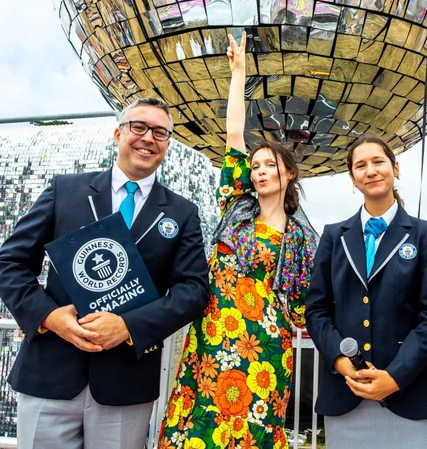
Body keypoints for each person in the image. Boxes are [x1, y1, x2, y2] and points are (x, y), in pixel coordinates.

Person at [0, 96, 210, 449]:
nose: (148, 138)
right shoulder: (64, 190)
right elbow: (10, 262)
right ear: (118, 134)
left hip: (125, 381)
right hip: (50, 372)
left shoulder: (182, 212)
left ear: (167, 145)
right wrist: (49, 316)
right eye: (138, 127)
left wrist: (129, 327)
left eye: (159, 132)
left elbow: (193, 290)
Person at [157, 32, 318, 449]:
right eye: (257, 165)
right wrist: (239, 73)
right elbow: (233, 137)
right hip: (214, 332)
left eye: (270, 165)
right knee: (202, 420)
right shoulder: (236, 206)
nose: (260, 171)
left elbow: (307, 298)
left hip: (266, 345)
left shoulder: (301, 236)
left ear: (289, 174)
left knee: (253, 426)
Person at [305, 136, 427, 449]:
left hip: (411, 396)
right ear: (353, 178)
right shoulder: (334, 236)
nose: (370, 171)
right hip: (346, 396)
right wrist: (341, 362)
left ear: (395, 168)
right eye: (361, 165)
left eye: (378, 162)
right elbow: (317, 310)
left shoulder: (425, 234)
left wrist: (394, 377)